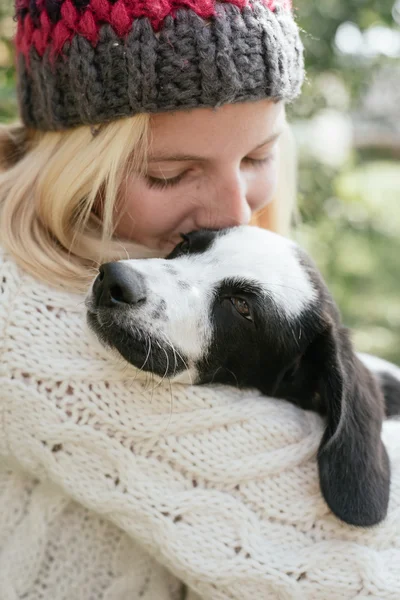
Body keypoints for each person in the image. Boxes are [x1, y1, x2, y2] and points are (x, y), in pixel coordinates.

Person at [0, 0, 399, 598]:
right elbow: (350, 577)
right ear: (77, 164)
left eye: (258, 156)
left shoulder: (164, 262)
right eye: (167, 174)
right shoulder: (25, 320)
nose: (236, 213)